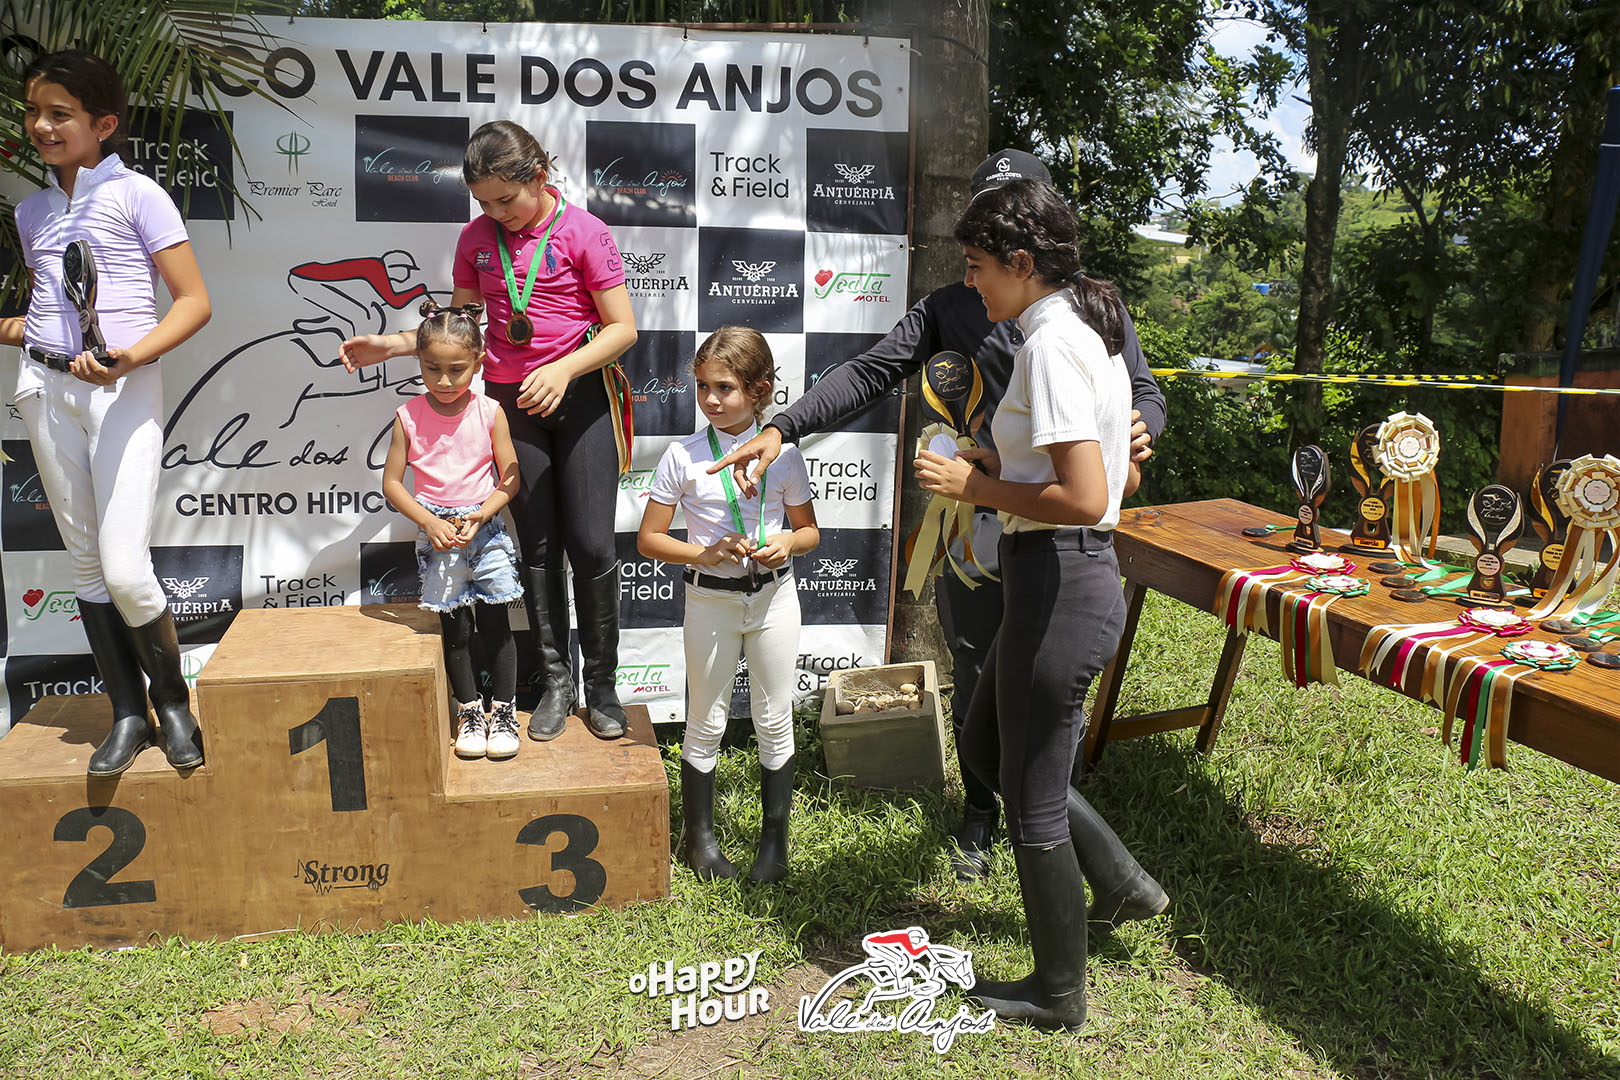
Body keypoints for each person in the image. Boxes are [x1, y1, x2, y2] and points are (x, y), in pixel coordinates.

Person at [712, 150, 1167, 915]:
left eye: (983, 252)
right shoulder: (954, 303)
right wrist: (784, 426)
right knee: (977, 677)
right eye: (968, 252)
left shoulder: (1082, 311)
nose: (972, 271)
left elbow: (1142, 395)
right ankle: (982, 819)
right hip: (975, 523)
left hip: (1054, 520)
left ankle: (1060, 844)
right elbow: (868, 372)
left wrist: (1137, 430)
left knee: (1040, 694)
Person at [911, 176, 1146, 1029]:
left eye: (978, 268)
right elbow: (1093, 472)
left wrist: (974, 481)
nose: (970, 285)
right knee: (984, 744)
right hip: (1058, 576)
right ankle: (1122, 884)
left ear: (1021, 262)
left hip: (1064, 575)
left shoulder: (1050, 345)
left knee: (1031, 793)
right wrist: (995, 460)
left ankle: (1057, 993)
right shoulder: (1078, 329)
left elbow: (1089, 496)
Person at [342, 121, 638, 741]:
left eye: (506, 199)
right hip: (509, 400)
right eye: (483, 202)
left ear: (539, 177)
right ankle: (557, 682)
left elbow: (622, 330)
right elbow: (462, 326)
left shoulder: (586, 231)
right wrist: (395, 344)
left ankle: (603, 687)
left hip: (579, 395)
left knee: (590, 544)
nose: (495, 214)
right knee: (535, 544)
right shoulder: (477, 238)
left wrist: (562, 370)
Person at [0, 51, 211, 776]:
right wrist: (23, 329)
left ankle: (175, 703)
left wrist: (128, 355)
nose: (41, 126)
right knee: (87, 566)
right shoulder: (31, 211)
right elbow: (51, 304)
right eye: (35, 112)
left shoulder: (139, 195)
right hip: (45, 388)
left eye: (60, 113)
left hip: (124, 387)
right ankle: (127, 713)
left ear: (104, 124)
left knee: (125, 568)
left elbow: (193, 302)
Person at [637, 327, 819, 883]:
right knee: (706, 721)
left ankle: (773, 845)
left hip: (774, 599)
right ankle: (701, 843)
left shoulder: (783, 454)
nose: (711, 400)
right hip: (710, 601)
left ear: (760, 390)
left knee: (773, 717)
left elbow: (809, 533)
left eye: (725, 388)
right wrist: (706, 551)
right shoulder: (683, 455)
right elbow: (649, 540)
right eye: (702, 387)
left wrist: (786, 542)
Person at [381, 299, 523, 759]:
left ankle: (504, 712)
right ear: (418, 363)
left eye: (457, 369)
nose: (444, 381)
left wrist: (484, 512)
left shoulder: (491, 412)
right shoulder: (407, 416)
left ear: (479, 363)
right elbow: (391, 484)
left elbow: (511, 476)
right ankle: (469, 711)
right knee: (456, 629)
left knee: (498, 625)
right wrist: (428, 521)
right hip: (438, 534)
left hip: (487, 531)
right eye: (431, 369)